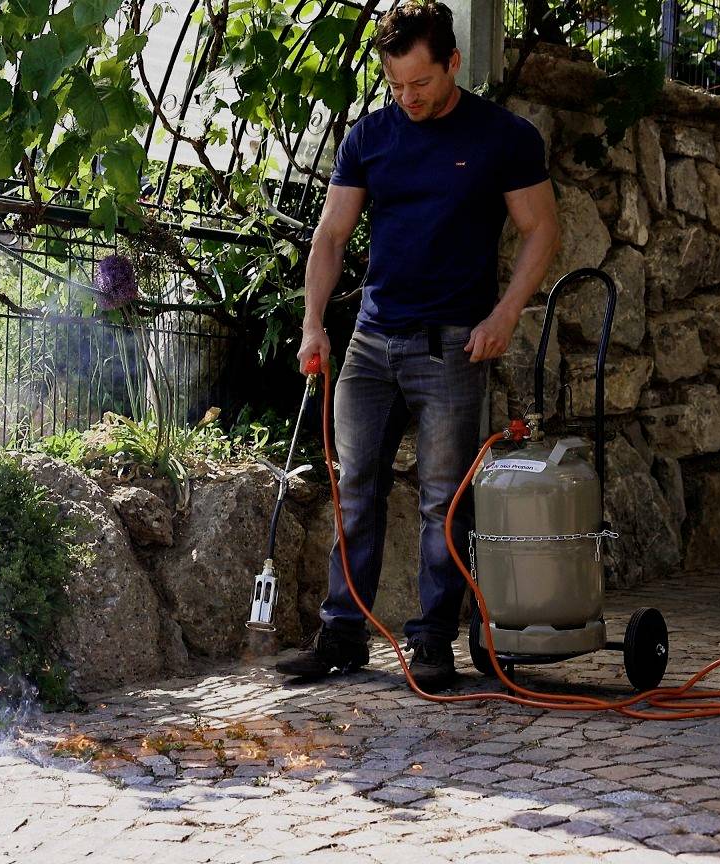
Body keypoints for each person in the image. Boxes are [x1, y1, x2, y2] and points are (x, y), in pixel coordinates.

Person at [275, 0, 560, 691]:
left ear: (453, 63)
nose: (408, 97)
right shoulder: (370, 137)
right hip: (372, 343)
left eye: (421, 83)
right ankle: (342, 635)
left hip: (454, 347)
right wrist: (314, 324)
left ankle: (432, 641)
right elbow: (331, 236)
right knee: (354, 490)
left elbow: (543, 231)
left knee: (442, 501)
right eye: (395, 84)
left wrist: (505, 315)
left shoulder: (503, 138)